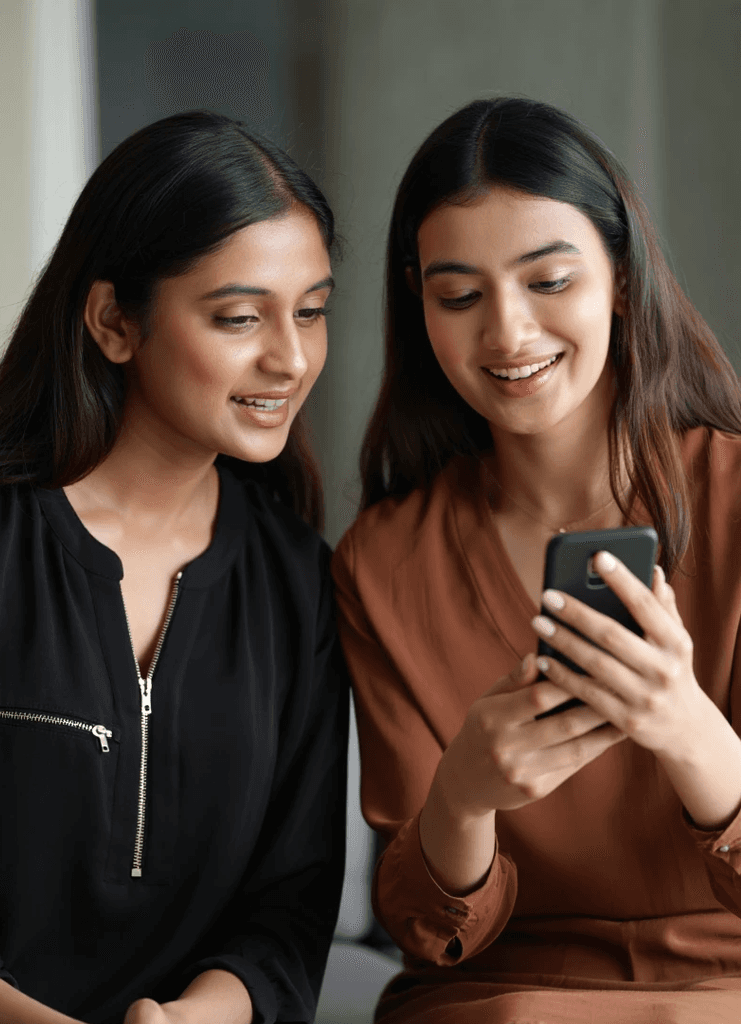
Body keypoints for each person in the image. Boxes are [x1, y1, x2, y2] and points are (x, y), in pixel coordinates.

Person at [331, 96, 741, 1022]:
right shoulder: (386, 561)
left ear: (623, 281)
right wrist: (464, 798)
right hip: (503, 997)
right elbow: (425, 928)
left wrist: (687, 729)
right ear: (420, 307)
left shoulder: (736, 501)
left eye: (549, 281)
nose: (508, 334)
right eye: (460, 296)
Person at [0, 111, 348, 1024]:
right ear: (113, 322)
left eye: (314, 311)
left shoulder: (299, 583)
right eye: (240, 317)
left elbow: (291, 903)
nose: (290, 358)